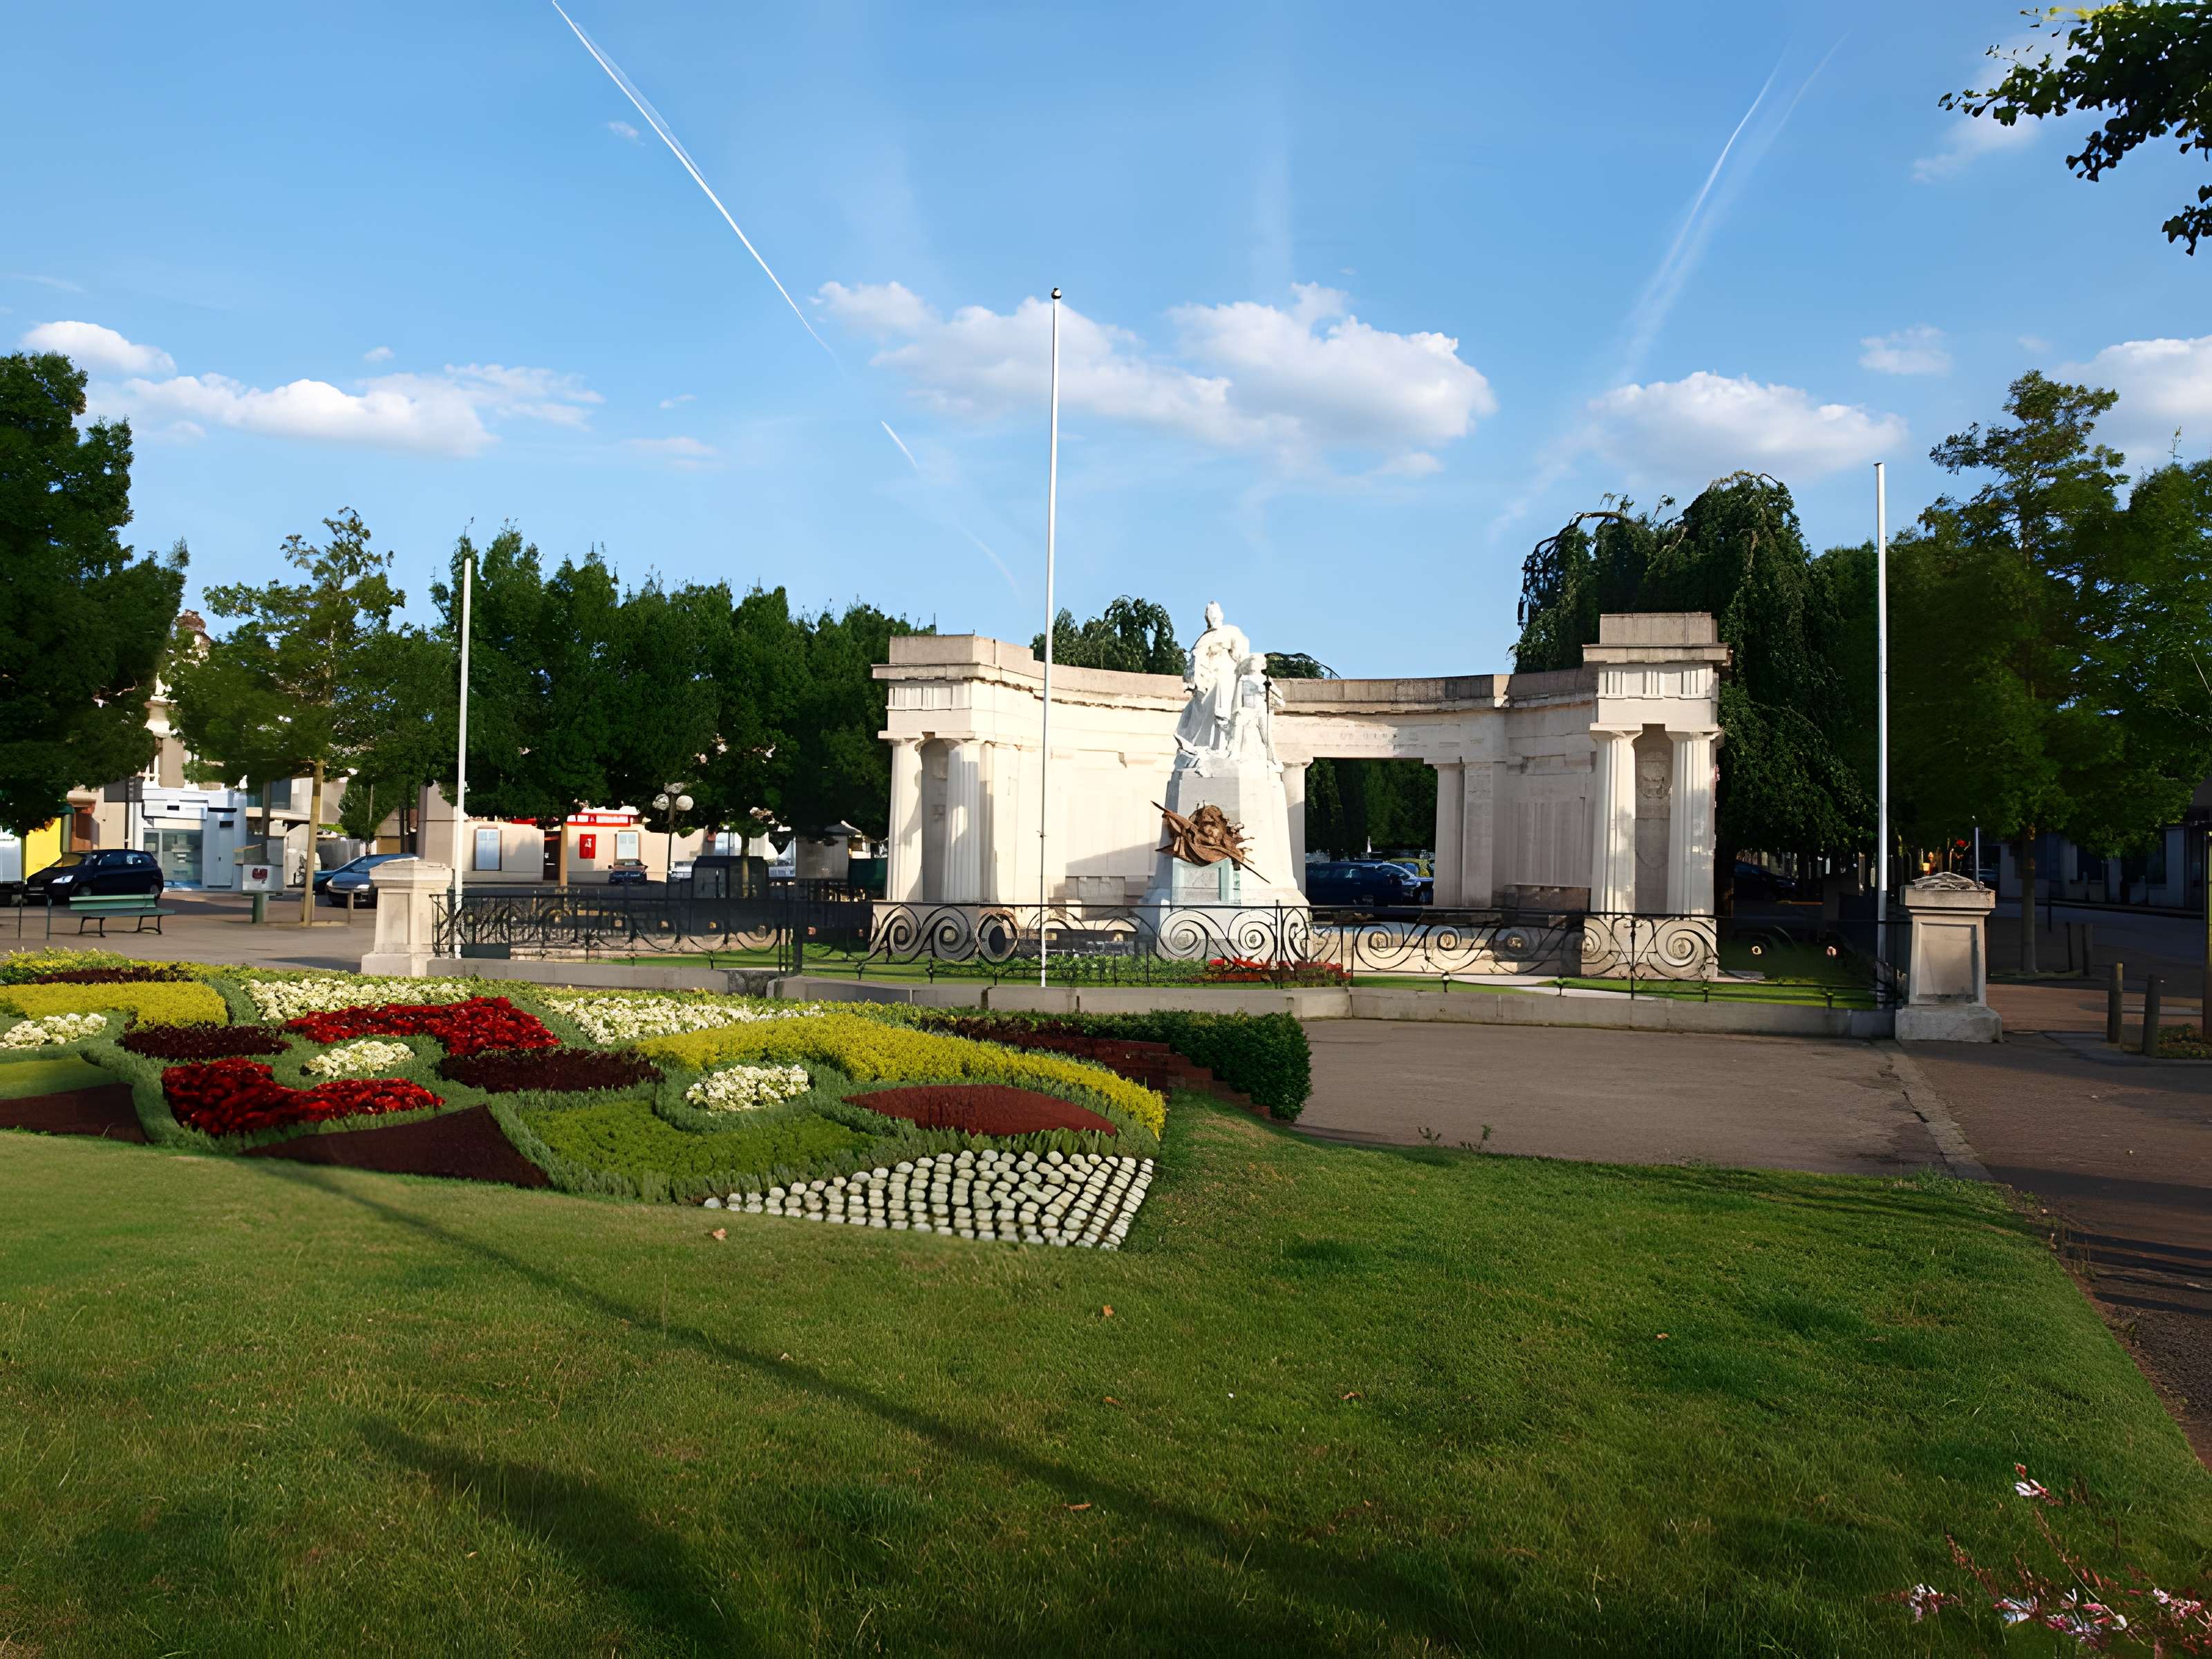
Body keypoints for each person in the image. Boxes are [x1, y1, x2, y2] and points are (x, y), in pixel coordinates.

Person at [1172, 601, 1250, 764]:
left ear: (1221, 614)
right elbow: (1193, 661)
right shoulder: (1203, 638)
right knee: (1202, 712)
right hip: (1206, 681)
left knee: (1222, 709)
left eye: (1215, 612)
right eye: (1209, 613)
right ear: (1206, 617)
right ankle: (1203, 745)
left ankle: (1220, 746)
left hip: (1226, 675)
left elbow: (1241, 656)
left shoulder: (1231, 631)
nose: (1212, 615)